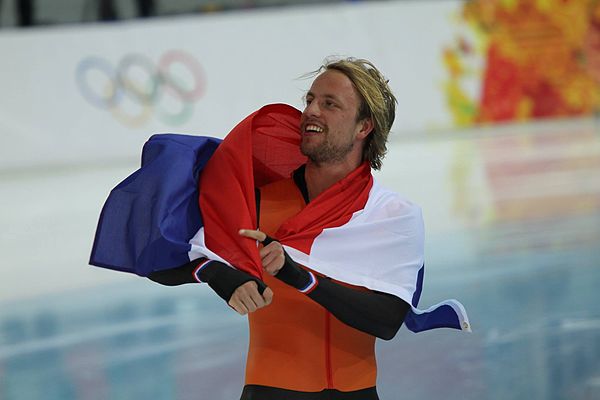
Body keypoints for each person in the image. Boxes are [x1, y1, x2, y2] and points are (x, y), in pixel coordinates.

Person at [91, 57, 469, 400]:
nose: (309, 111)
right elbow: (155, 256)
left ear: (364, 127)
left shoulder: (392, 216)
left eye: (329, 103)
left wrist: (295, 274)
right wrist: (216, 272)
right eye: (309, 99)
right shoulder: (256, 202)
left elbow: (386, 320)